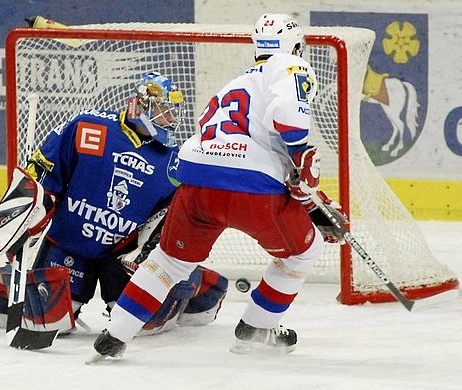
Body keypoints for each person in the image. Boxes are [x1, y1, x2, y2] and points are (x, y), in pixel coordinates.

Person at [88, 13, 348, 362]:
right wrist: (303, 157)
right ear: (297, 46)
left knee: (168, 263)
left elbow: (271, 159)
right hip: (251, 189)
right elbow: (286, 125)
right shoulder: (289, 65)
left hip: (197, 181)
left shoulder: (234, 85)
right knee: (304, 251)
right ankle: (256, 328)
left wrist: (316, 205)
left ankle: (115, 335)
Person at [0, 71, 228, 336]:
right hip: (68, 243)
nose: (171, 118)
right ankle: (4, 281)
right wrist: (24, 222)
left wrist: (158, 256)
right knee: (49, 320)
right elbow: (43, 173)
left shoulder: (172, 161)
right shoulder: (89, 126)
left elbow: (175, 216)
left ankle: (199, 281)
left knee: (142, 324)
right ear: (141, 104)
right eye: (164, 109)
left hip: (122, 254)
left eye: (173, 110)